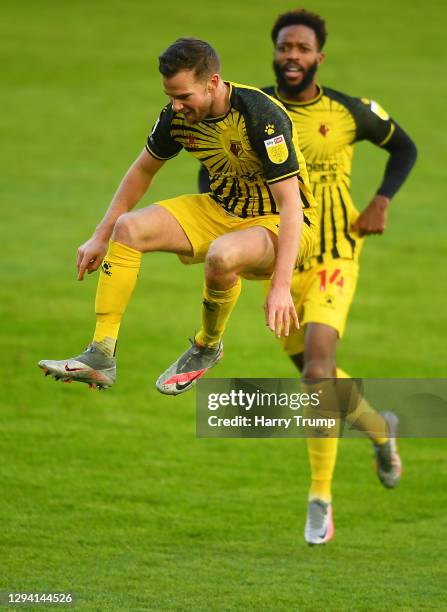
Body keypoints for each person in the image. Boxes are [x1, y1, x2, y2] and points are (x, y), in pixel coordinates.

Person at [198, 10, 417, 545]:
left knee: (317, 374)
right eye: (283, 47)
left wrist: (382, 200)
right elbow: (211, 174)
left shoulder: (347, 112)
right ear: (274, 53)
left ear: (320, 55)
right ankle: (381, 431)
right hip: (278, 264)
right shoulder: (250, 113)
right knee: (321, 381)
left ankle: (320, 497)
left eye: (302, 47)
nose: (291, 55)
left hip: (335, 257)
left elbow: (404, 147)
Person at [38, 37, 319, 398]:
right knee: (128, 228)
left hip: (281, 222)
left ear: (213, 83)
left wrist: (280, 286)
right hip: (222, 208)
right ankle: (101, 354)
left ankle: (207, 345)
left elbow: (291, 204)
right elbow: (141, 172)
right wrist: (99, 235)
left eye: (184, 96)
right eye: (171, 96)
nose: (176, 105)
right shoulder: (177, 118)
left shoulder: (260, 115)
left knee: (222, 255)